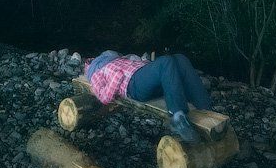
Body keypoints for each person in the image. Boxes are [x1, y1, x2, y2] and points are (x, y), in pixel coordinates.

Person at [84, 49, 213, 144]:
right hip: (133, 85)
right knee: (166, 61)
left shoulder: (122, 59)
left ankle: (206, 108)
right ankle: (177, 117)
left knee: (180, 58)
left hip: (145, 78)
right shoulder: (96, 72)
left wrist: (146, 63)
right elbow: (104, 97)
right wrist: (118, 77)